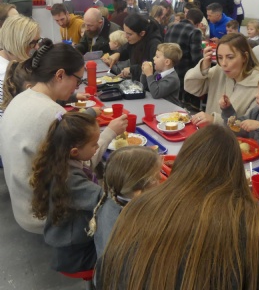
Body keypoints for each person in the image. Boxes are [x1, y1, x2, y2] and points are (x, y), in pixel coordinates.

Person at [95, 125, 259, 290]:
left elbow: (105, 273)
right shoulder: (253, 223)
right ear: (235, 170)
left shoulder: (136, 207)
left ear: (183, 159)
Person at [0, 39, 127, 233]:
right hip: (44, 217)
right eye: (78, 80)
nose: (76, 88)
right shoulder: (52, 113)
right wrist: (109, 132)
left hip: (21, 205)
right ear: (60, 75)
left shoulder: (20, 99)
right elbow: (83, 163)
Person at [30, 112, 102, 273]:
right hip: (76, 254)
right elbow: (103, 198)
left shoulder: (58, 162)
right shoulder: (71, 180)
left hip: (70, 240)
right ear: (75, 152)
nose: (97, 148)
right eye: (94, 145)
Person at [88, 147, 162, 258]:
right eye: (155, 178)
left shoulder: (111, 197)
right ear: (138, 193)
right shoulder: (136, 226)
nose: (160, 177)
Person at [184, 33, 259, 125]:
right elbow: (191, 87)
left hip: (229, 135)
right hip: (210, 132)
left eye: (230, 57)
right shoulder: (219, 70)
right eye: (220, 57)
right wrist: (203, 67)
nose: (223, 63)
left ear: (244, 57)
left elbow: (251, 126)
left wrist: (215, 120)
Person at [0, 15, 41, 118]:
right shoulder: (6, 74)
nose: (37, 47)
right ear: (18, 42)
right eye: (32, 43)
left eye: (38, 41)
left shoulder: (10, 63)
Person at [106, 13, 162, 81]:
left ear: (142, 33)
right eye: (125, 32)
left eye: (129, 34)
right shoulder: (135, 39)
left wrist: (132, 69)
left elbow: (154, 66)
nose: (125, 36)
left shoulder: (154, 44)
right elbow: (127, 47)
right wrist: (119, 54)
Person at [164, 8, 203, 86]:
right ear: (198, 23)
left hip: (167, 69)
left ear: (186, 16)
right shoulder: (195, 31)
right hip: (184, 72)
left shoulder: (171, 27)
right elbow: (196, 58)